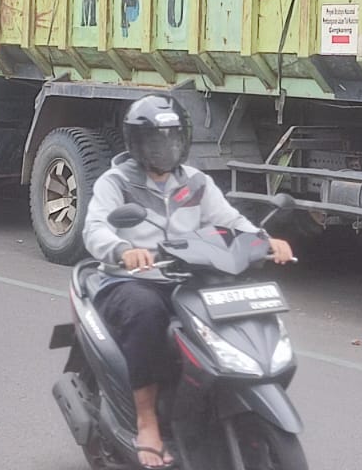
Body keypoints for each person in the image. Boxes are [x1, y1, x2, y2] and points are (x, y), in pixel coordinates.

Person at [81, 94, 294, 469]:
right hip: (133, 280)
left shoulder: (196, 182)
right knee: (146, 315)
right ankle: (147, 422)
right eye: (155, 140)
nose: (165, 147)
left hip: (188, 278)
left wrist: (264, 241)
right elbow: (95, 229)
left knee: (234, 313)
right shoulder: (116, 183)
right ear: (136, 143)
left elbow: (229, 220)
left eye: (173, 138)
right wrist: (121, 250)